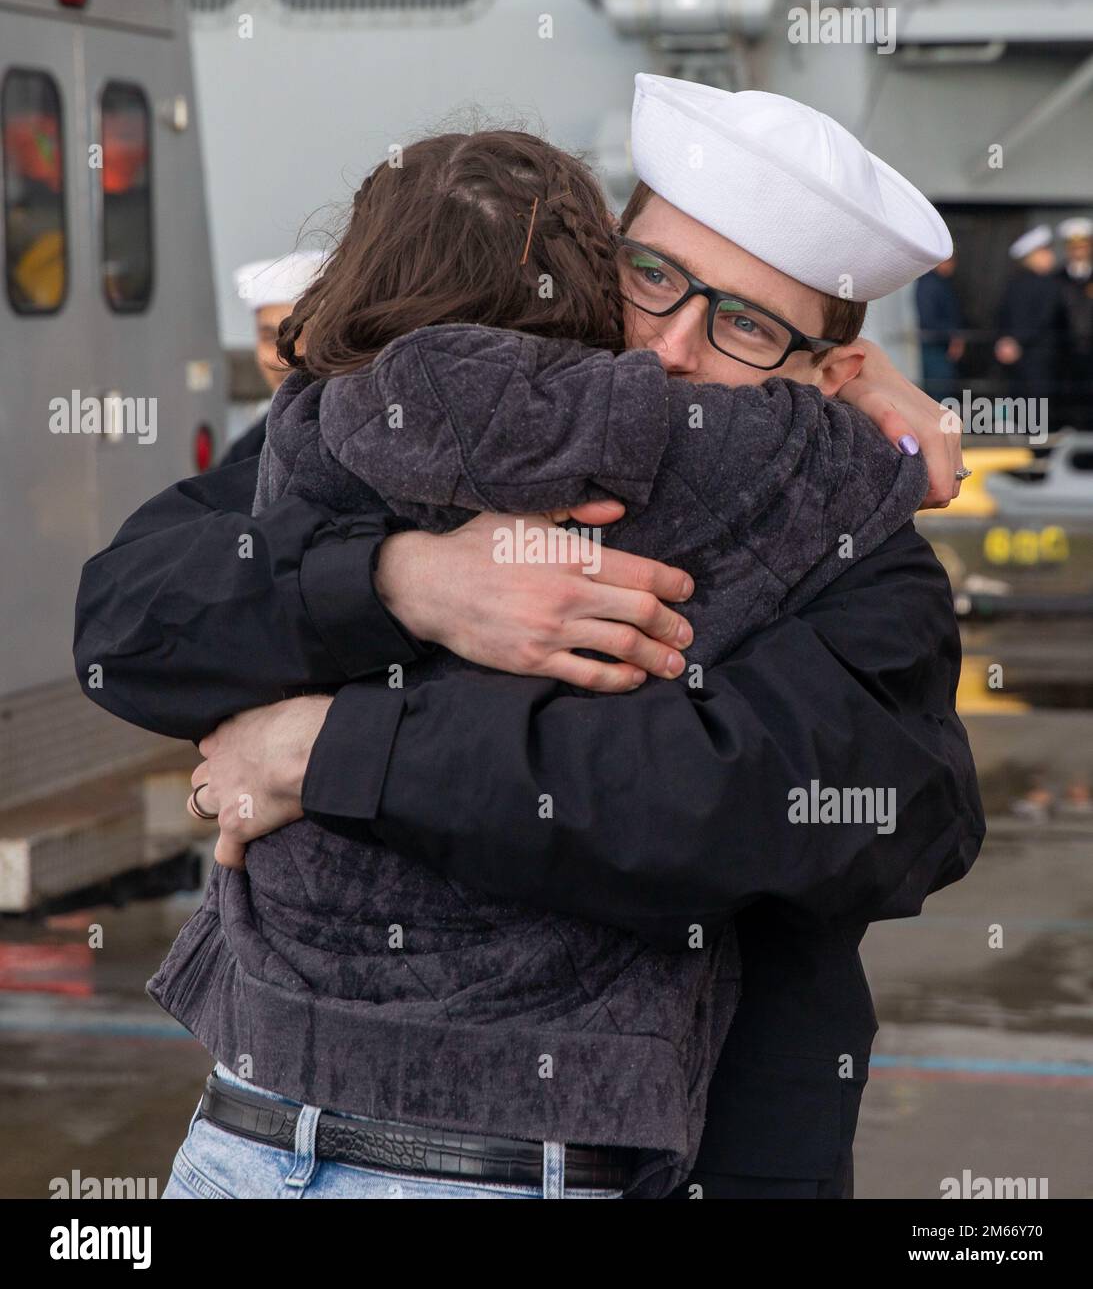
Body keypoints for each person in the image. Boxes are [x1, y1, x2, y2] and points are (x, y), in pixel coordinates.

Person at [74, 75, 983, 1199]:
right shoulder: (419, 416)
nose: (668, 350)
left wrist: (335, 751)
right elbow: (127, 616)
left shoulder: (846, 536)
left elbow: (800, 806)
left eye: (744, 323)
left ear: (830, 372)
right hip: (261, 1124)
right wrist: (400, 582)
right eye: (650, 278)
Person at [218, 250, 327, 466]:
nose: (284, 358)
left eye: (301, 336)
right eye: (269, 337)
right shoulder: (248, 447)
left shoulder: (353, 433)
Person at [994, 225, 1066, 409]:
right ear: (1033, 256)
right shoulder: (1048, 284)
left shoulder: (1015, 283)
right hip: (1039, 355)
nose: (1050, 256)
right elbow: (1043, 318)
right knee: (1036, 405)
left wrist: (1009, 341)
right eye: (1045, 252)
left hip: (1021, 353)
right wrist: (1015, 341)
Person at [1055, 217, 1093, 428]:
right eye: (1074, 247)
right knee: (1067, 403)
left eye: (1083, 247)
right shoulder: (1057, 278)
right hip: (1065, 352)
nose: (1079, 252)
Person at [914, 252, 965, 402]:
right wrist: (952, 336)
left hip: (939, 343)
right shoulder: (930, 284)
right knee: (939, 391)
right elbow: (928, 318)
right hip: (935, 345)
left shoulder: (940, 283)